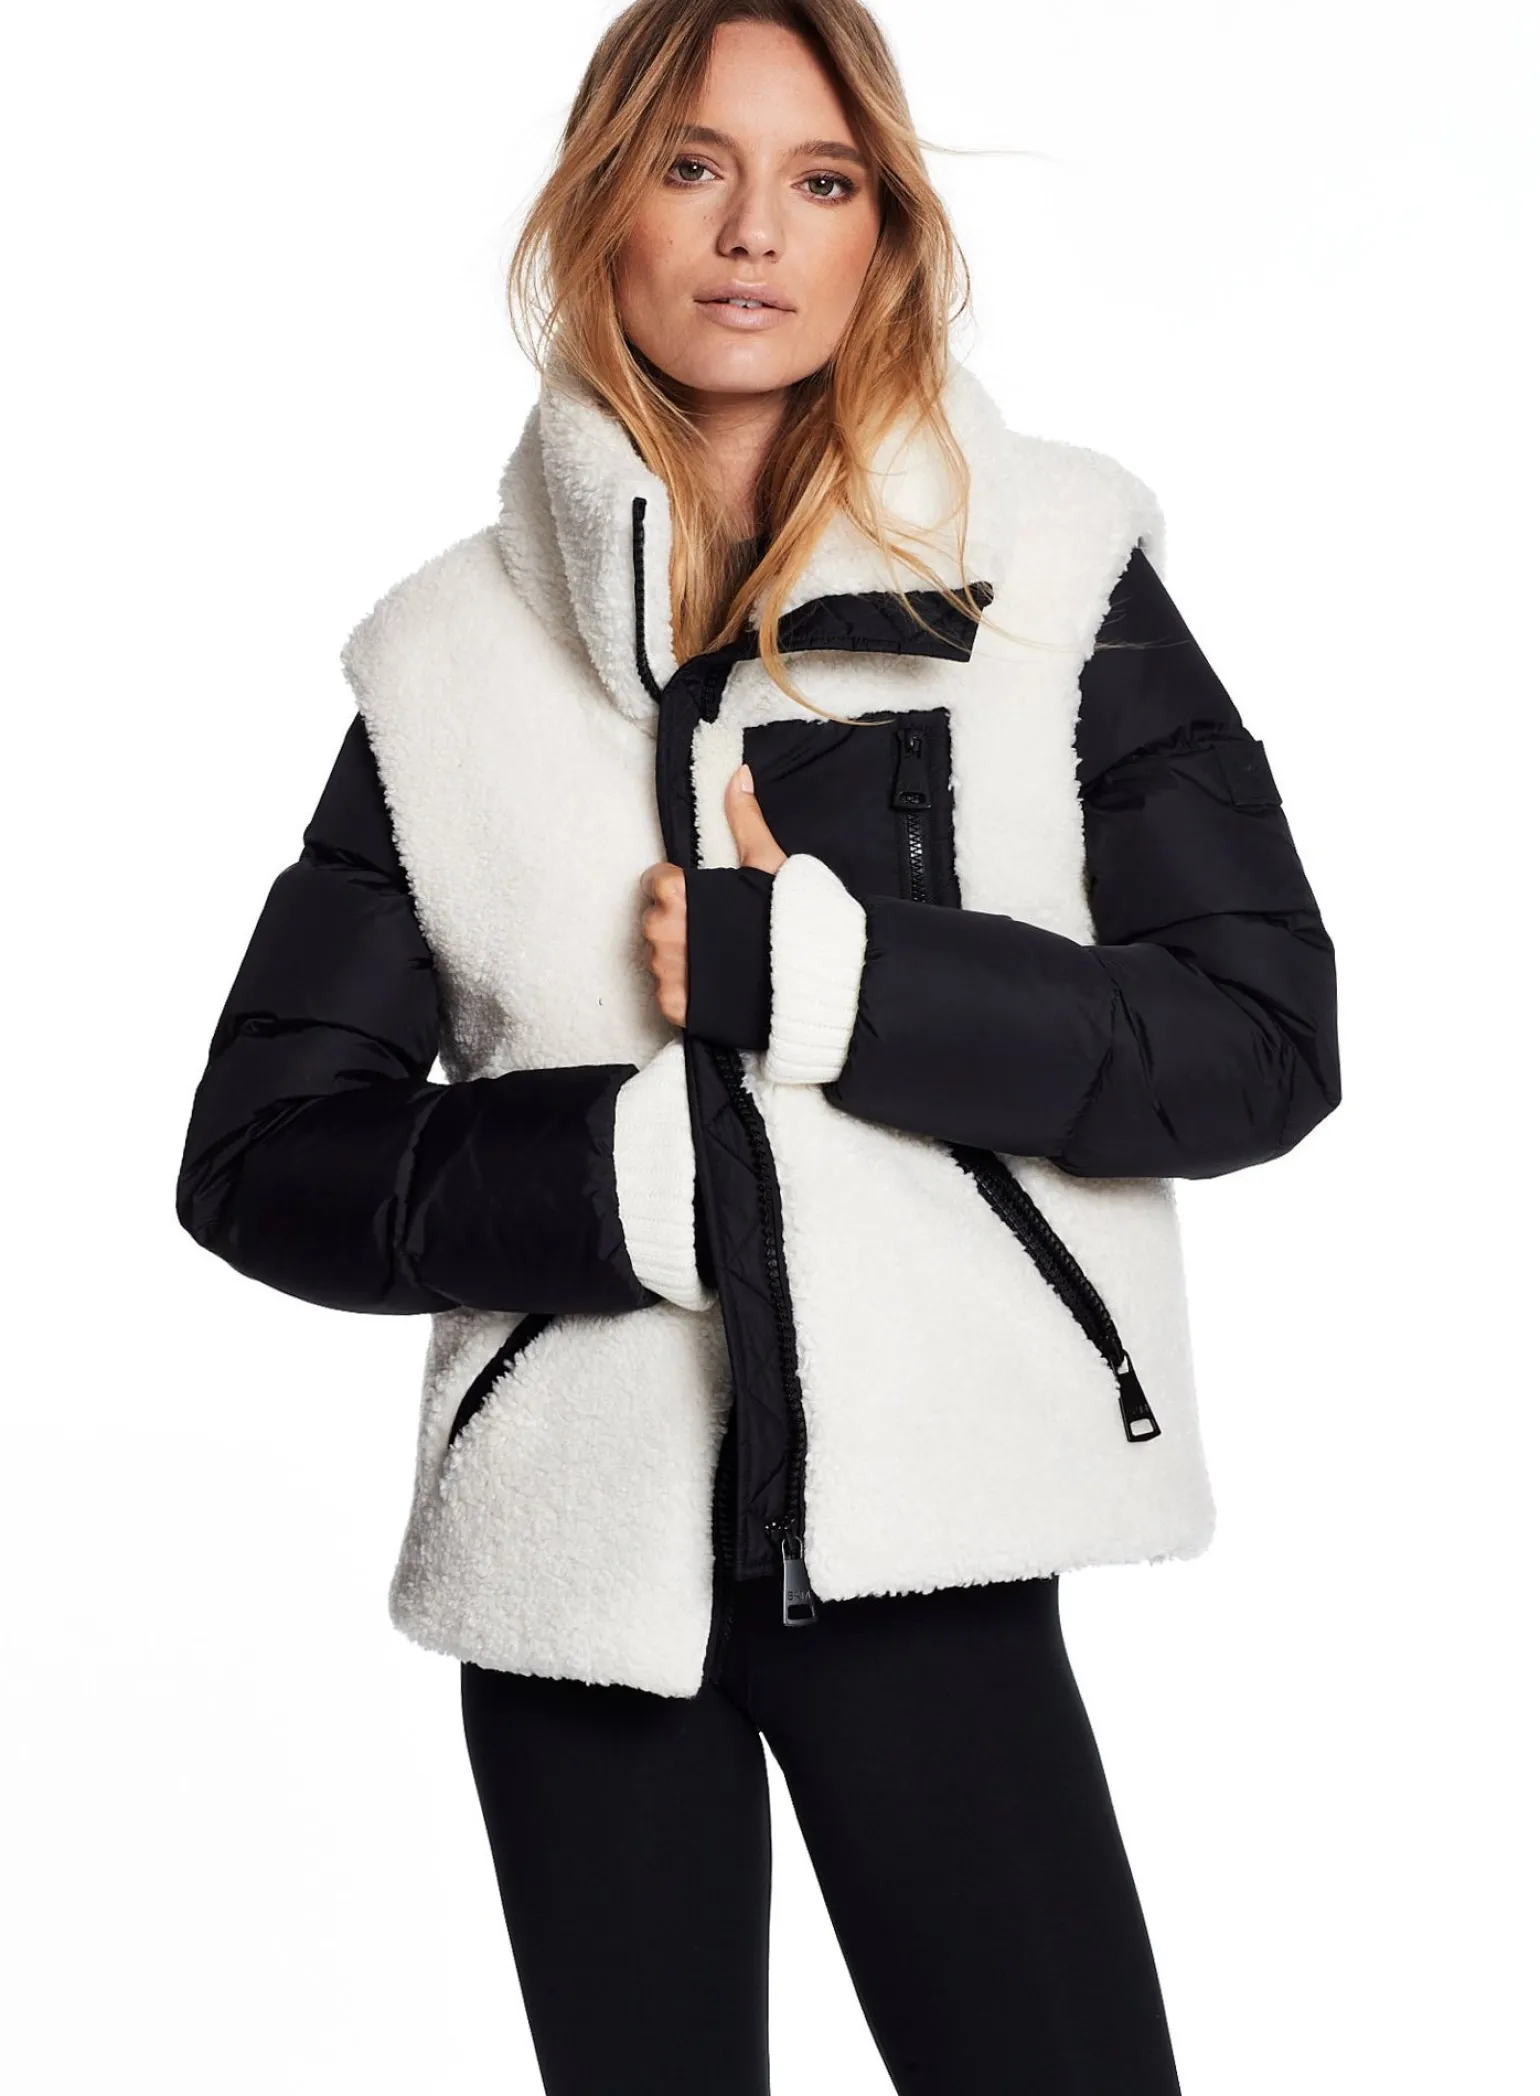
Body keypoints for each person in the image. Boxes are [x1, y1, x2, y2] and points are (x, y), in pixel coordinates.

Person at [174, 2, 1341, 2089]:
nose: (752, 233)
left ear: (883, 232)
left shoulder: (1052, 571)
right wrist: (641, 1174)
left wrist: (839, 988)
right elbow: (263, 1156)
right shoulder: (443, 659)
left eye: (821, 180)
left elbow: (1255, 1041)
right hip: (578, 1588)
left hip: (928, 1546)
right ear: (598, 203)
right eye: (692, 166)